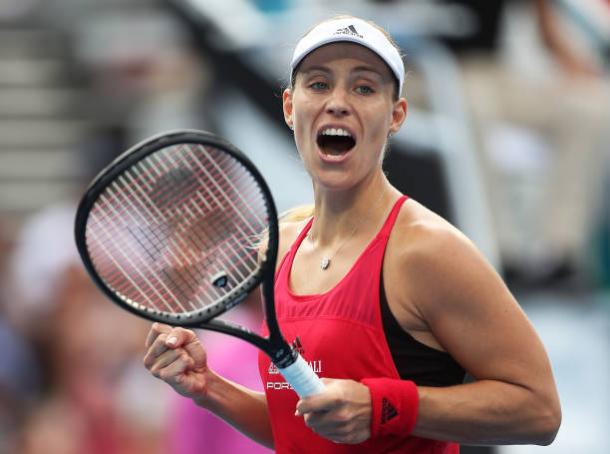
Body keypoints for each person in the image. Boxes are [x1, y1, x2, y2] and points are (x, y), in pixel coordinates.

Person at [143, 15, 561, 452]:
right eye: (319, 84)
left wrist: (381, 406)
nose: (338, 102)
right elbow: (303, 427)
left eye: (364, 88)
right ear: (289, 107)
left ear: (396, 114)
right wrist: (209, 388)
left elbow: (540, 411)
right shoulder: (279, 244)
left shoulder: (428, 251)